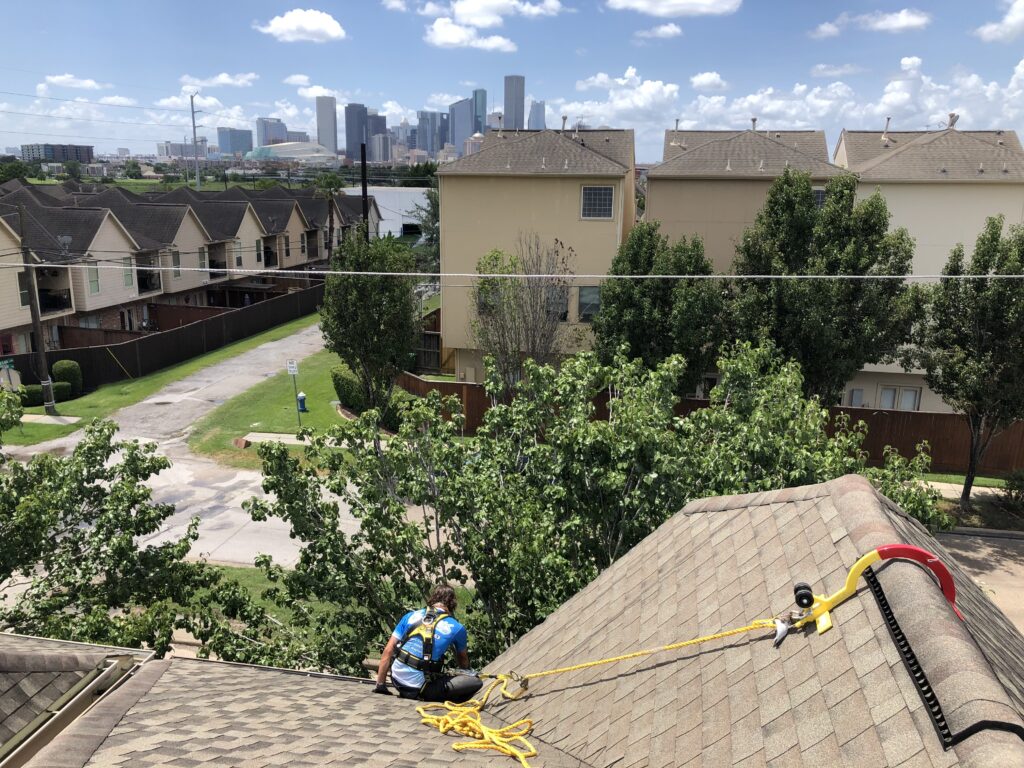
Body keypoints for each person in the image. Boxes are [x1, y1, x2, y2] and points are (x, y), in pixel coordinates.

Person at [374, 584, 483, 703]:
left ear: (433, 599)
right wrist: (466, 674)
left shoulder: (411, 616)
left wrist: (381, 685)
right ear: (453, 604)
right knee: (475, 682)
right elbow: (463, 660)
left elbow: (388, 650)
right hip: (420, 688)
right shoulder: (457, 628)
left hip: (397, 680)